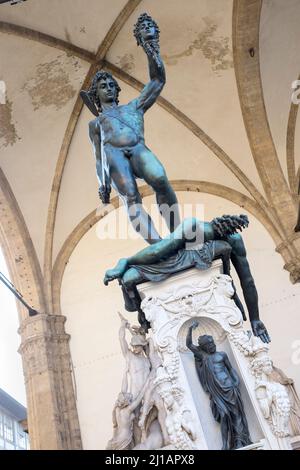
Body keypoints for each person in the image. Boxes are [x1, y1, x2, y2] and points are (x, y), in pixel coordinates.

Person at [81, 13, 180, 244]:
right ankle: (158, 245)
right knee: (131, 197)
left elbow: (157, 81)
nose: (108, 88)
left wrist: (150, 48)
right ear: (96, 95)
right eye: (102, 86)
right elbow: (98, 157)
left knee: (160, 179)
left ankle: (177, 234)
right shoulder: (95, 123)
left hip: (137, 148)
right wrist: (103, 184)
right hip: (113, 155)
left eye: (110, 85)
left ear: (117, 90)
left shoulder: (134, 107)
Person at [104, 215, 270, 343]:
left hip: (185, 256)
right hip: (168, 258)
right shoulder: (192, 226)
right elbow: (157, 251)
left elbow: (247, 281)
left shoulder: (232, 240)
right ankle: (127, 268)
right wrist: (122, 265)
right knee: (129, 277)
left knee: (130, 278)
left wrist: (256, 318)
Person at [186, 321, 252, 450]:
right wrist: (189, 329)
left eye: (213, 343)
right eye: (209, 345)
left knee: (236, 415)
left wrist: (235, 381)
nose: (212, 346)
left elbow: (230, 369)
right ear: (204, 347)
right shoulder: (203, 357)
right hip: (217, 392)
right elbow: (188, 344)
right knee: (224, 415)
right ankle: (226, 444)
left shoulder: (222, 355)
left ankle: (239, 441)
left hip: (230, 388)